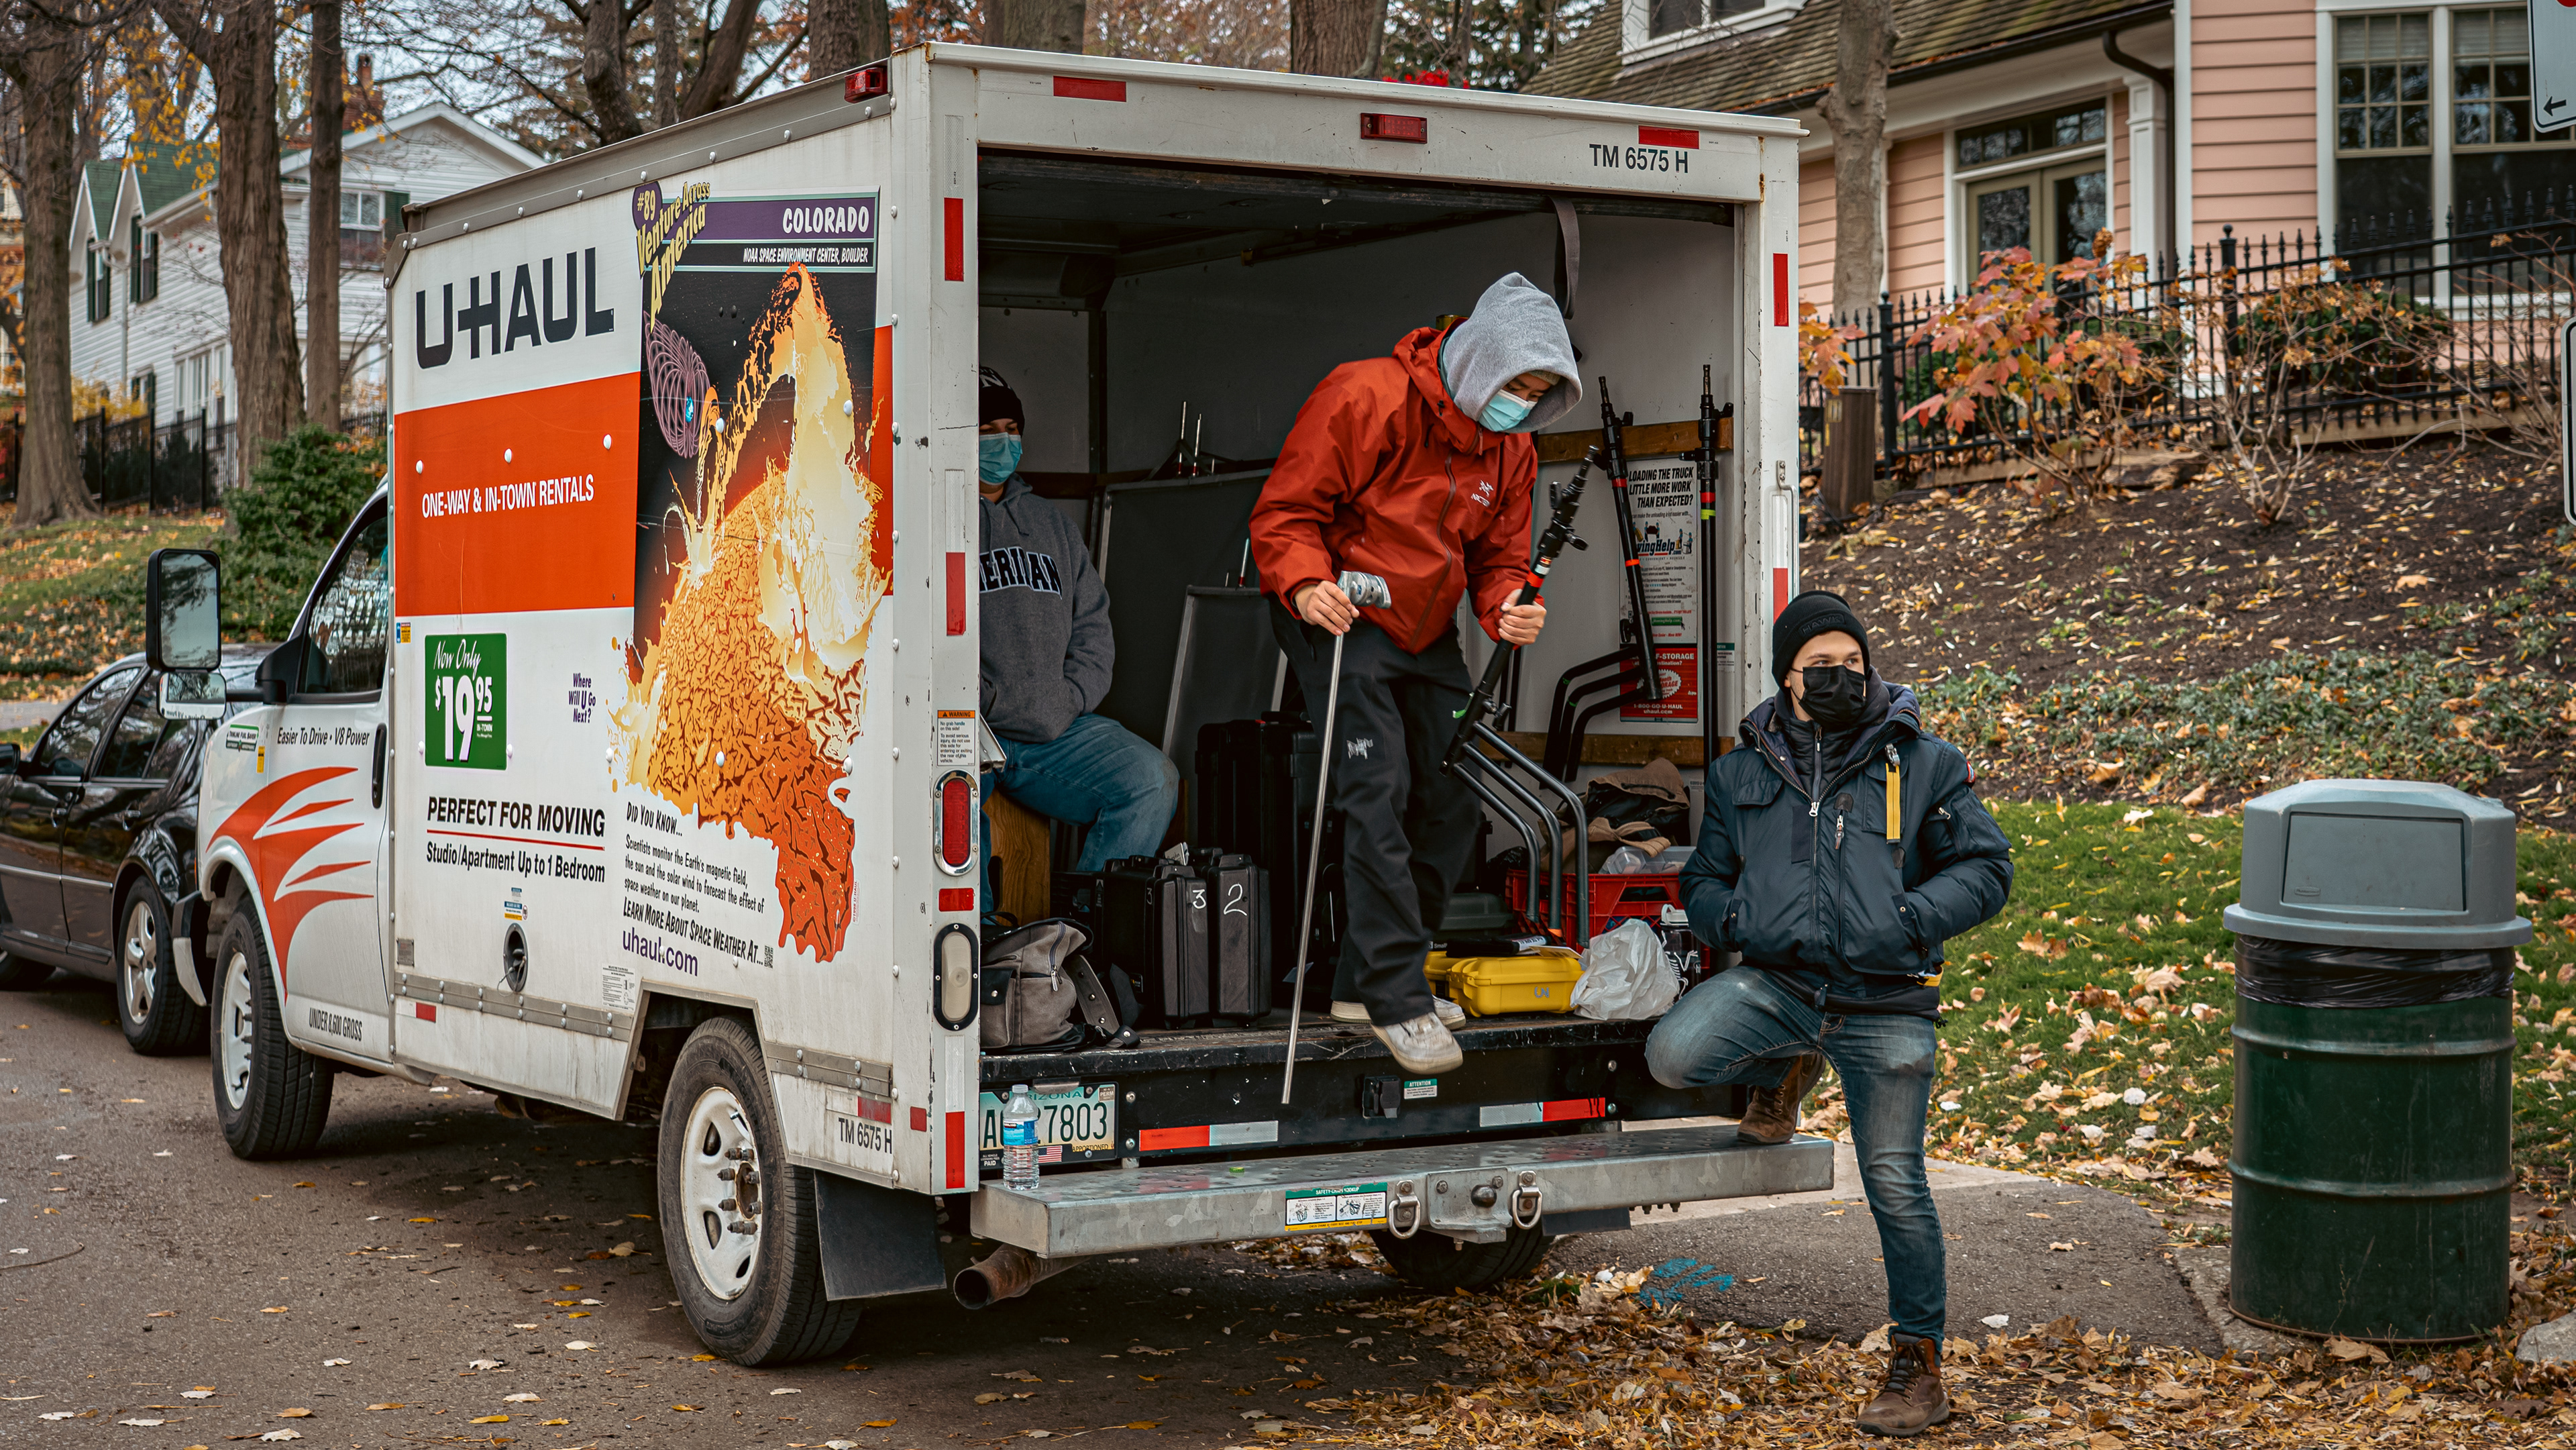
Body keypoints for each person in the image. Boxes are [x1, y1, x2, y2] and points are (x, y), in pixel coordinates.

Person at [1644, 590, 2013, 1438]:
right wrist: (1737, 920)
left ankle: (1918, 1367)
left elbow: (1988, 868)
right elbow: (1703, 877)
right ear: (1788, 676)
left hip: (1885, 998)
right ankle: (1788, 1064)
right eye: (1821, 665)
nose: (1841, 676)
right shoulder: (1741, 772)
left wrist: (1909, 919)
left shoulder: (1924, 760)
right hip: (1782, 986)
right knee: (1675, 1053)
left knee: (1895, 1182)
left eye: (1854, 662)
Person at [1249, 273, 1578, 1074]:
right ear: (1480, 361)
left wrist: (1508, 607)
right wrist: (1305, 584)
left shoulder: (1513, 447)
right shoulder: (1365, 395)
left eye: (1539, 393)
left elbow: (1499, 559)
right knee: (1378, 792)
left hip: (1426, 627)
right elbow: (1284, 513)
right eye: (1518, 386)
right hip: (1341, 611)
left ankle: (1363, 983)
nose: (1524, 405)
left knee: (1455, 799)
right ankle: (1397, 998)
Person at [975, 368, 1179, 911]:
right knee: (950, 802)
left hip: (1056, 730)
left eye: (1011, 428)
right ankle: (979, 938)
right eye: (987, 430)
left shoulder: (1054, 526)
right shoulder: (938, 522)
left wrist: (1068, 699)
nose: (1002, 442)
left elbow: (1094, 630)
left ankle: (1078, 934)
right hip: (973, 729)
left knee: (1152, 780)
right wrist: (985, 701)